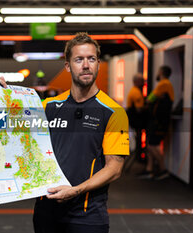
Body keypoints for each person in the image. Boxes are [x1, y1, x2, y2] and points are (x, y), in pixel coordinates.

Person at [33, 32, 129, 233]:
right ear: (68, 66)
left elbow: (115, 168)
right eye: (79, 59)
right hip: (46, 211)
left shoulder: (113, 112)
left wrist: (75, 191)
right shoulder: (47, 107)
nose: (86, 65)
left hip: (87, 215)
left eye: (91, 59)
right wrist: (5, 96)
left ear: (98, 64)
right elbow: (18, 135)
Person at [138, 65, 174, 180]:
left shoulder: (164, 84)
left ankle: (163, 169)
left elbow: (150, 98)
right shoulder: (166, 84)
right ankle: (150, 170)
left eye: (158, 71)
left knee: (153, 145)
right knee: (150, 145)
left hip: (160, 121)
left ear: (161, 72)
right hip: (158, 120)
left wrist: (151, 99)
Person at [126, 73, 146, 162]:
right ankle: (139, 157)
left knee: (138, 138)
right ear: (137, 81)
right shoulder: (136, 93)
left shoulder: (133, 90)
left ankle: (139, 155)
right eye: (142, 81)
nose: (144, 82)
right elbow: (139, 110)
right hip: (137, 121)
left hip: (133, 120)